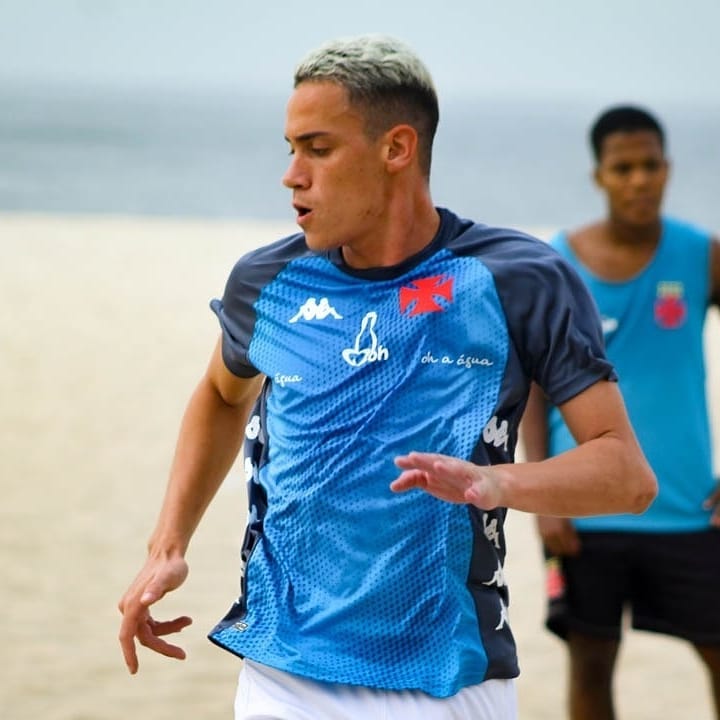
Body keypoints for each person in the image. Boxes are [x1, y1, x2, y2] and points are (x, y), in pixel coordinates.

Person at [117, 37, 657, 720]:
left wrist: (496, 484)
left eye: (318, 149)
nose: (291, 176)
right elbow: (222, 397)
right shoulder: (268, 280)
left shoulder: (518, 280)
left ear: (397, 148)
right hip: (283, 677)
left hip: (450, 683)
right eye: (290, 149)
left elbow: (626, 476)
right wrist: (168, 545)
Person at [521, 104, 720, 719]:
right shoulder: (557, 263)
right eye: (623, 168)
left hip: (690, 509)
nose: (639, 180)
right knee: (590, 665)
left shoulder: (702, 255)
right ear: (599, 176)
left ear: (668, 169)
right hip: (585, 508)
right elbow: (534, 385)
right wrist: (545, 497)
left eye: (650, 166)